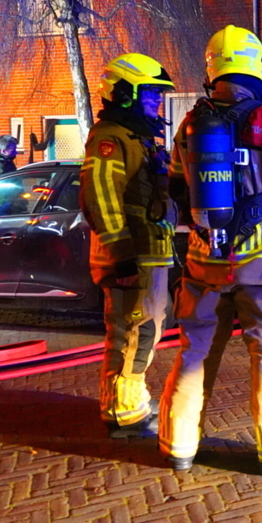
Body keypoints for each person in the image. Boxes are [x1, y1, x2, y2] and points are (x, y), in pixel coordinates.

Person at [159, 25, 262, 476]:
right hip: (261, 264)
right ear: (258, 66)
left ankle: (179, 447)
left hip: (202, 259)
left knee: (194, 351)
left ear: (212, 68)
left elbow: (176, 187)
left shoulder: (193, 122)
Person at [78, 53, 176, 437]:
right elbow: (100, 197)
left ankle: (128, 398)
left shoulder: (137, 137)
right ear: (124, 93)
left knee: (146, 329)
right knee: (132, 331)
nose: (156, 100)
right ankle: (123, 409)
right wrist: (122, 255)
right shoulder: (109, 138)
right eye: (149, 92)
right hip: (131, 257)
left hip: (148, 253)